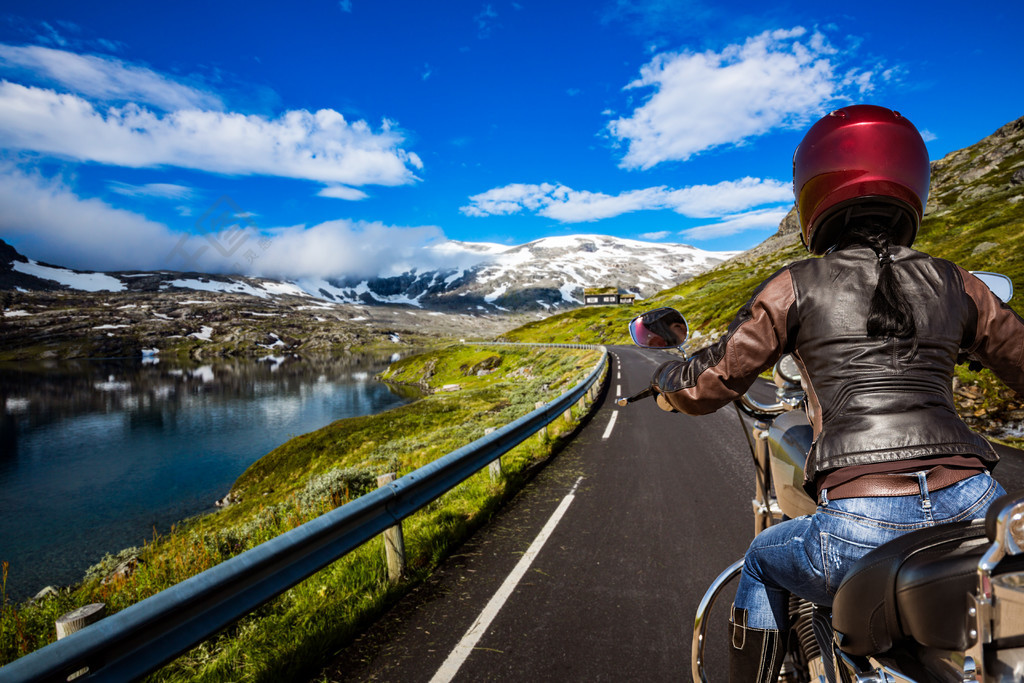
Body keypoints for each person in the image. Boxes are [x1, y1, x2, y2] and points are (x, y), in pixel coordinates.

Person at [647, 104, 1024, 682]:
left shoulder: (796, 284)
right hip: (977, 499)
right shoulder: (958, 282)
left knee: (763, 559)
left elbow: (711, 380)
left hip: (863, 517)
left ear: (814, 189)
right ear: (909, 180)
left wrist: (666, 383)